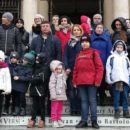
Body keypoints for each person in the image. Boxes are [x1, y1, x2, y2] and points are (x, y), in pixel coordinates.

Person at [30, 21, 61, 116]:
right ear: (40, 28)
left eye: (47, 26)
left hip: (51, 69)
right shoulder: (35, 40)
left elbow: (59, 54)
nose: (45, 28)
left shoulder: (55, 39)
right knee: (39, 91)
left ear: (50, 27)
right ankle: (39, 111)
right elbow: (31, 54)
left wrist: (57, 67)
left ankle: (50, 111)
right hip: (38, 69)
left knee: (50, 91)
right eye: (43, 26)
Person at [72, 34, 104, 129]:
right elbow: (75, 69)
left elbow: (100, 68)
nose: (84, 44)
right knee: (84, 102)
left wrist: (98, 80)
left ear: (89, 43)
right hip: (81, 82)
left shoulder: (94, 53)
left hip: (92, 82)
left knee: (92, 101)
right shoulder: (79, 54)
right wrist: (74, 81)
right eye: (83, 42)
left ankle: (94, 121)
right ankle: (84, 121)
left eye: (86, 42)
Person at [106, 40, 130, 119]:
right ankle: (116, 110)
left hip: (125, 80)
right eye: (117, 47)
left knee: (125, 96)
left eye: (121, 47)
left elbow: (128, 69)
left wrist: (128, 79)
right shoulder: (111, 57)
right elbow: (108, 69)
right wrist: (109, 79)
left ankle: (125, 111)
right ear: (115, 48)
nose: (119, 49)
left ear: (124, 49)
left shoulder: (126, 58)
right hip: (116, 80)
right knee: (116, 96)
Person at [91, 23, 112, 105]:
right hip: (92, 64)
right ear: (95, 29)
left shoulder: (107, 38)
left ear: (103, 30)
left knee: (102, 83)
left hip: (103, 64)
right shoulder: (91, 38)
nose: (99, 29)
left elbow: (109, 52)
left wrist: (107, 64)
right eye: (98, 27)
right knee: (93, 83)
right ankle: (94, 99)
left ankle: (102, 99)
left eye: (101, 28)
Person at [64, 24, 83, 115]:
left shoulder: (84, 41)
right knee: (71, 91)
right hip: (71, 69)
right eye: (74, 30)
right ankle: (73, 109)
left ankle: (79, 109)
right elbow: (66, 55)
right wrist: (67, 67)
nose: (76, 31)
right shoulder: (69, 42)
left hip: (81, 70)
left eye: (77, 30)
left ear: (81, 31)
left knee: (80, 92)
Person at [27, 53, 48, 128]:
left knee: (41, 106)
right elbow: (30, 76)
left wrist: (32, 79)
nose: (37, 60)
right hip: (34, 89)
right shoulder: (34, 66)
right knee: (34, 106)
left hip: (41, 89)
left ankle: (42, 120)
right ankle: (33, 119)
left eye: (38, 59)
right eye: (36, 58)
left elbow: (41, 78)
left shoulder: (45, 67)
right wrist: (33, 78)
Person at [12, 51, 35, 116]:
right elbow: (15, 70)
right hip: (16, 84)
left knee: (22, 97)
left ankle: (23, 109)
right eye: (24, 59)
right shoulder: (20, 65)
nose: (23, 60)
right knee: (16, 97)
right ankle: (17, 109)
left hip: (23, 85)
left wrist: (19, 78)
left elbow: (28, 78)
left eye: (25, 60)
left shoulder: (29, 69)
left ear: (29, 62)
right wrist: (15, 75)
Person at [49, 60, 67, 128]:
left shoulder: (63, 75)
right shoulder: (53, 75)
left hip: (62, 95)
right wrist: (53, 94)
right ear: (54, 69)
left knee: (60, 108)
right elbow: (51, 85)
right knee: (55, 108)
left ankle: (59, 119)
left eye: (60, 69)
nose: (59, 70)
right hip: (55, 95)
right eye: (58, 69)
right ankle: (54, 120)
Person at [0, 50, 11, 117]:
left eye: (0, 58)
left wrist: (8, 89)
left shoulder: (5, 67)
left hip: (1, 88)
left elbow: (8, 79)